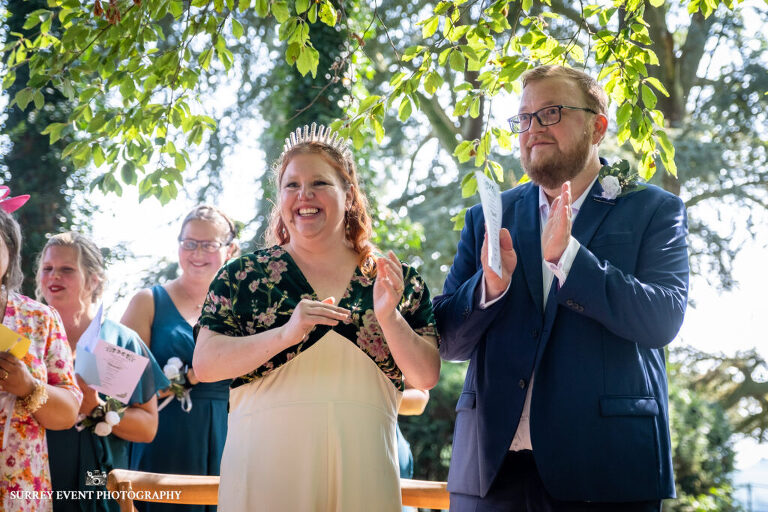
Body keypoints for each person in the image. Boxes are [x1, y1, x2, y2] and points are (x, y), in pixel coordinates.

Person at [434, 65, 690, 511]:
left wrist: (570, 260)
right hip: (491, 475)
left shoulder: (655, 209)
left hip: (606, 472)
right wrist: (487, 289)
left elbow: (663, 318)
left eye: (550, 112)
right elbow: (446, 340)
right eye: (525, 118)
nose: (533, 128)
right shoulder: (486, 218)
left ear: (597, 126)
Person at [193, 123, 441, 511]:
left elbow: (425, 376)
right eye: (291, 185)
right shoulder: (242, 276)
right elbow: (205, 365)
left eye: (319, 183)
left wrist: (389, 317)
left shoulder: (395, 278)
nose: (304, 195)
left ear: (350, 195)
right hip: (267, 474)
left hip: (364, 472)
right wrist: (286, 334)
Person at [37, 232, 168, 512]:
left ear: (94, 279)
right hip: (35, 479)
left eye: (66, 269)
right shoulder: (28, 333)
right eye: (47, 268)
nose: (53, 276)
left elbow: (147, 427)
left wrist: (97, 408)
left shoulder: (122, 341)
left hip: (97, 485)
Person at [122, 205, 239, 512]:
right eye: (189, 243)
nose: (197, 253)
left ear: (230, 250)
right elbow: (120, 385)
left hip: (231, 439)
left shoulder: (245, 309)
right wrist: (185, 379)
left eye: (209, 244)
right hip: (164, 440)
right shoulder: (147, 302)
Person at [0, 198, 82, 512]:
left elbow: (67, 413)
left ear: (9, 249)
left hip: (21, 491)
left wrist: (28, 387)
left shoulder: (40, 318)